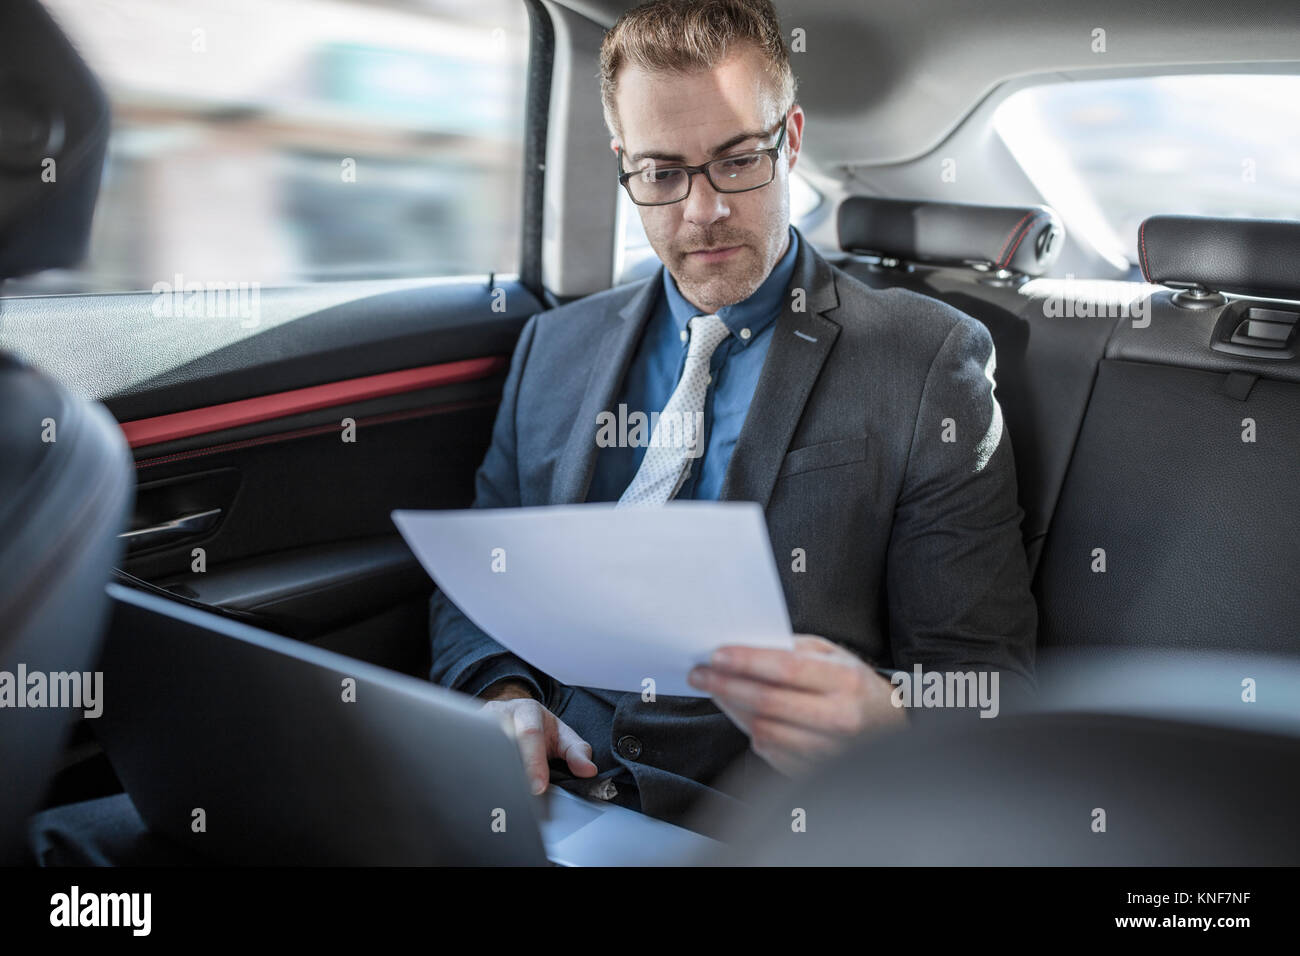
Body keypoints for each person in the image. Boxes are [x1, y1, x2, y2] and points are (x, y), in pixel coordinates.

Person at [429, 0, 1036, 832]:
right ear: (625, 165)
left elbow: (986, 680)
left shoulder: (925, 360)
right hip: (543, 799)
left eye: (737, 160)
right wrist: (502, 694)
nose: (702, 210)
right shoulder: (553, 347)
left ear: (791, 140)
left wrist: (889, 722)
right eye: (662, 173)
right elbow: (479, 573)